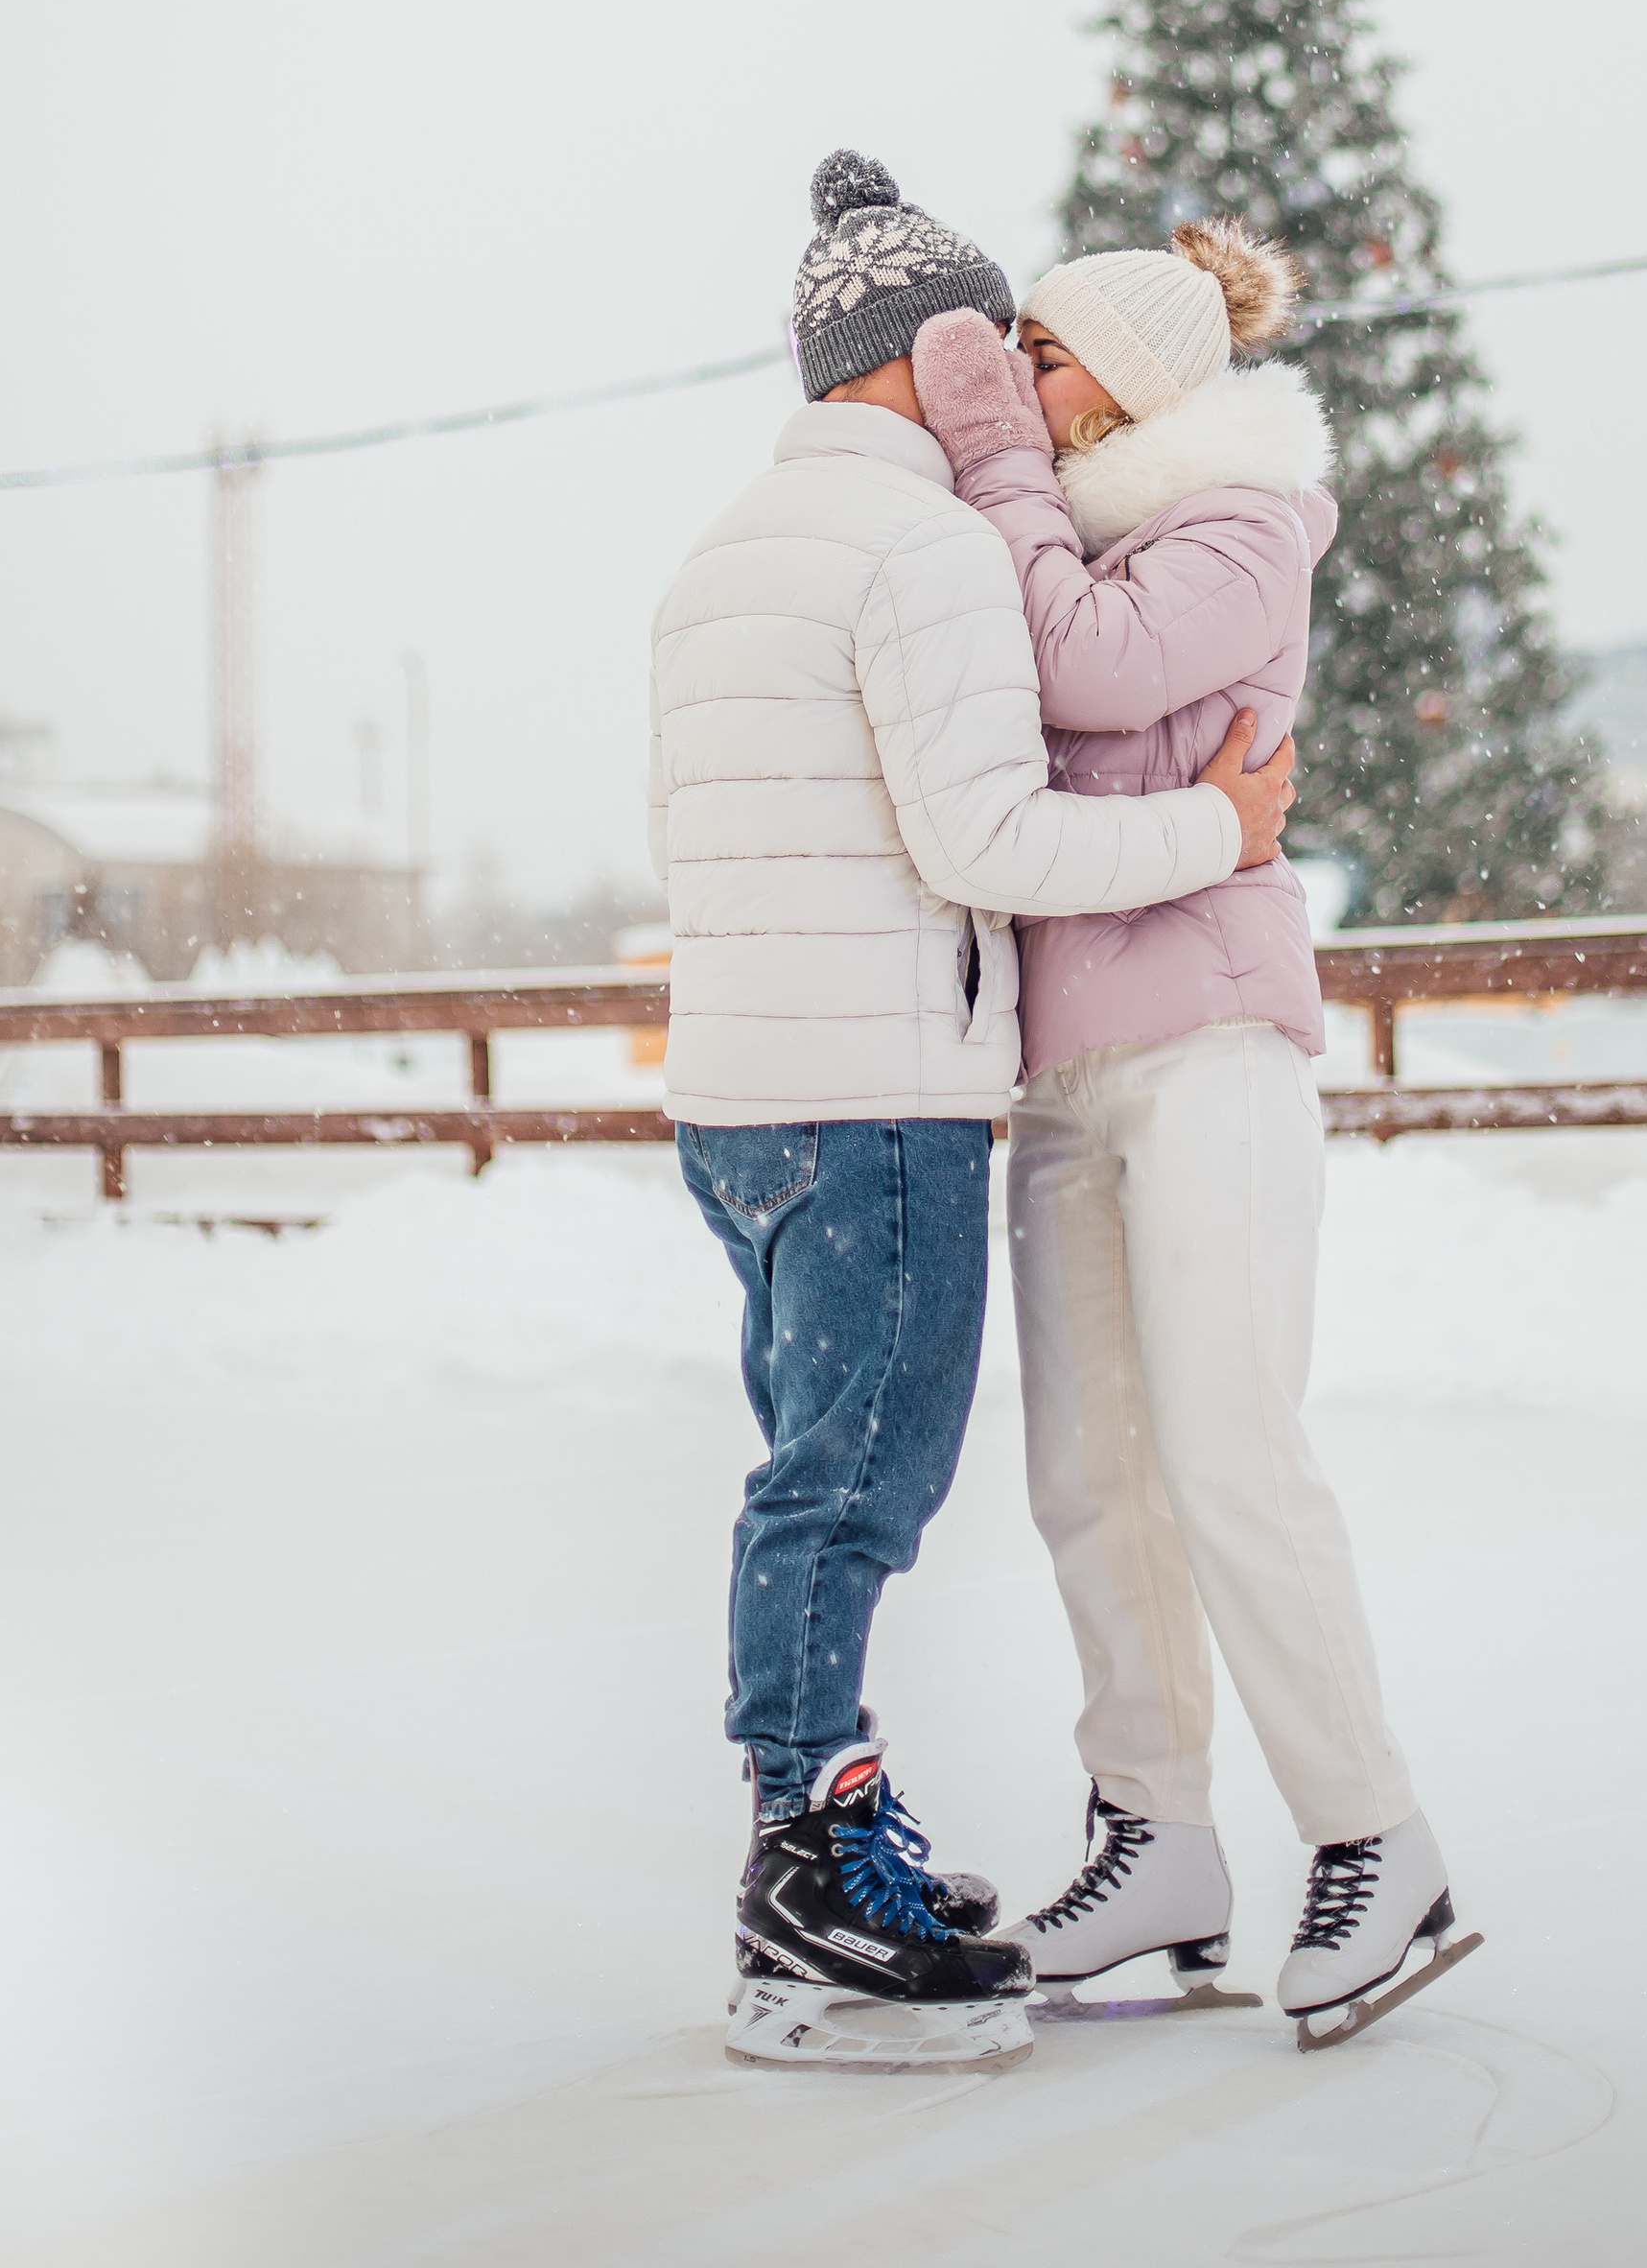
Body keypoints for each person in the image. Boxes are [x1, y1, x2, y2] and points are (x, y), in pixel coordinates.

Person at [649, 151, 1298, 2072]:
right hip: (878, 1108)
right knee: (848, 1492)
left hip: (744, 1105)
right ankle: (802, 1864)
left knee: (809, 1472)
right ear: (934, 355)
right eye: (988, 347)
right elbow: (981, 835)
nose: (1006, 384)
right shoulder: (921, 553)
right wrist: (1221, 831)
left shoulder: (720, 560)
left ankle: (822, 1813)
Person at [909, 220, 1468, 2044]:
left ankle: (1378, 1833)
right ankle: (1155, 1838)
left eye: (1044, 362)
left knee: (1230, 1448)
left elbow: (1076, 668)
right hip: (1066, 1071)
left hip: (1213, 1044)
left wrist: (996, 466)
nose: (1022, 392)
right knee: (1093, 1481)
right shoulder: (1055, 534)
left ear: (1127, 380)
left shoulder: (1239, 526)